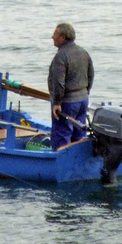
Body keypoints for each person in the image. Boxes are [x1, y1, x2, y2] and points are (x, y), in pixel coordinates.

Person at [47, 22, 94, 150]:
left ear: (63, 37)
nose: (52, 36)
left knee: (61, 135)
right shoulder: (83, 52)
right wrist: (85, 92)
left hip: (67, 103)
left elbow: (58, 82)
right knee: (79, 135)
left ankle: (60, 164)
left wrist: (57, 103)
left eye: (55, 34)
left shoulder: (61, 56)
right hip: (83, 100)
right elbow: (90, 75)